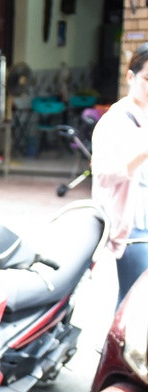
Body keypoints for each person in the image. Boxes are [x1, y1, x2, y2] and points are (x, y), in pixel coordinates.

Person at [91, 42, 148, 307]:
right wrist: (140, 155)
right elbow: (101, 174)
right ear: (130, 76)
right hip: (133, 227)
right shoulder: (114, 121)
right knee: (131, 302)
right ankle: (114, 348)